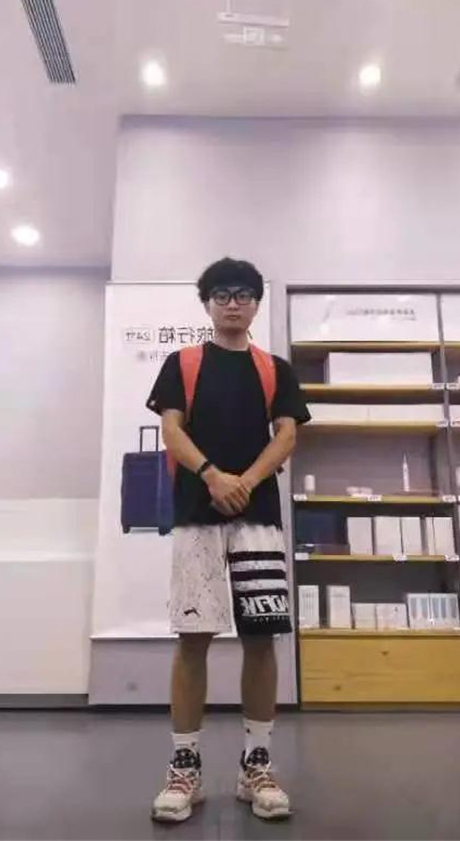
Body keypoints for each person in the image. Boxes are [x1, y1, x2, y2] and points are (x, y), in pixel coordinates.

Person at [146, 257, 310, 823]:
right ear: (207, 303)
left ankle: (255, 766)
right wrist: (213, 476)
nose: (233, 302)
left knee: (261, 638)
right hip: (197, 514)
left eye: (242, 293)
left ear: (257, 303)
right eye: (222, 294)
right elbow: (171, 429)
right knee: (193, 637)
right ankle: (184, 769)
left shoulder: (275, 369)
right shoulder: (182, 363)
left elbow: (286, 436)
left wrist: (246, 482)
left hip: (258, 518)